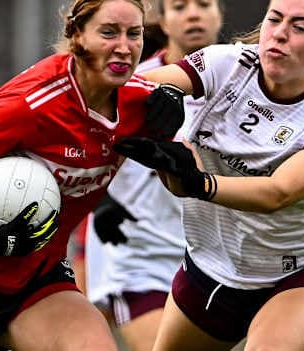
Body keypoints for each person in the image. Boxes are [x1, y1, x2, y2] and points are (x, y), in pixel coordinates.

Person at [0, 0, 185, 350]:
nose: (124, 46)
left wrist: (180, 152)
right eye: (108, 32)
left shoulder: (140, 104)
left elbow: (214, 74)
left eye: (134, 34)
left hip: (36, 278)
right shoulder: (31, 103)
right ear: (77, 36)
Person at [113, 0, 304, 350]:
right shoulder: (227, 63)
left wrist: (201, 184)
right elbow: (128, 92)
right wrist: (156, 98)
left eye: (300, 27)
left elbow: (279, 192)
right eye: (274, 19)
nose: (279, 33)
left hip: (301, 274)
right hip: (210, 269)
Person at [82, 1, 224, 350]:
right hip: (139, 256)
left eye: (204, 4)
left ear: (219, 14)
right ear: (160, 20)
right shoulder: (131, 82)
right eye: (179, 7)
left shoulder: (245, 84)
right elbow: (74, 138)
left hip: (217, 260)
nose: (193, 14)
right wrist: (101, 200)